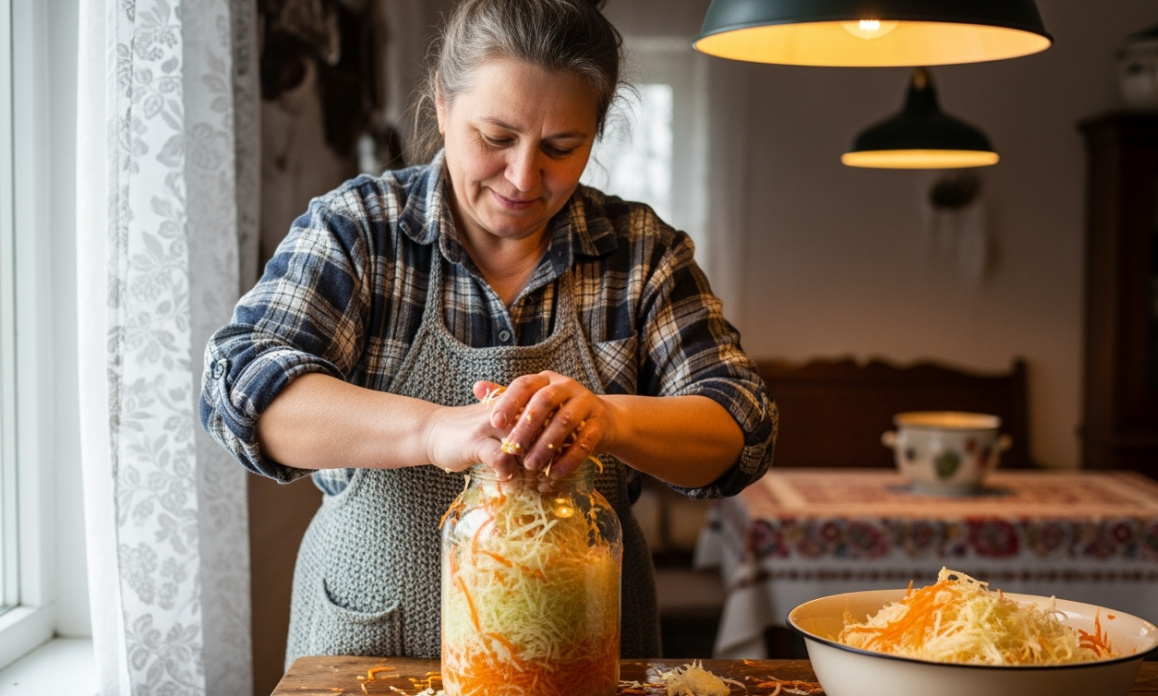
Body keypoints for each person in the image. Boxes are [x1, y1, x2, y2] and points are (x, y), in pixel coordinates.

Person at [200, 0, 777, 667]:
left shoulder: (640, 252)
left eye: (562, 148)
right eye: (496, 137)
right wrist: (432, 430)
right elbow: (238, 387)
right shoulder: (358, 230)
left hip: (581, 660)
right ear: (442, 105)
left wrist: (608, 421)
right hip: (374, 656)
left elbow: (744, 427)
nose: (525, 178)